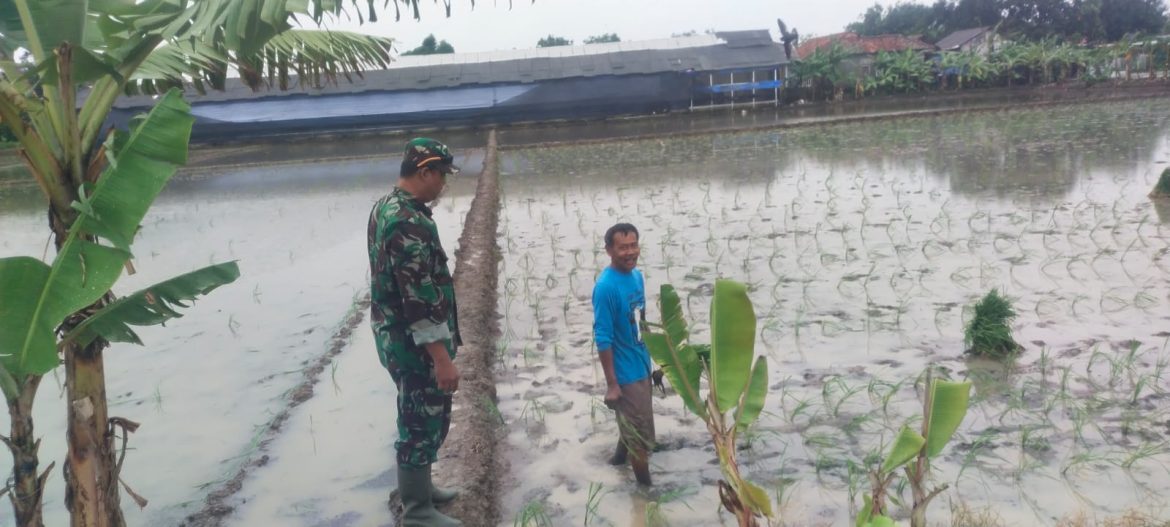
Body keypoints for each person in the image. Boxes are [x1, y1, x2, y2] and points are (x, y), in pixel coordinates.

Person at [367, 138, 463, 527]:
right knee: (419, 422)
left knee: (426, 417)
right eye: (441, 176)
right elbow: (417, 297)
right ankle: (418, 511)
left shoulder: (386, 206)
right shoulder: (407, 220)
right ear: (424, 171)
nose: (443, 185)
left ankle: (422, 491)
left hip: (399, 338)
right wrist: (441, 357)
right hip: (415, 346)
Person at [592, 222, 656, 486]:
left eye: (634, 245)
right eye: (623, 248)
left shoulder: (637, 277)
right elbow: (603, 337)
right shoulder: (606, 287)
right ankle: (646, 493)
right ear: (609, 250)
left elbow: (640, 323)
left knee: (632, 425)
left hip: (642, 365)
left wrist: (655, 361)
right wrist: (612, 384)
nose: (630, 252)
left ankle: (615, 464)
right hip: (625, 376)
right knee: (640, 440)